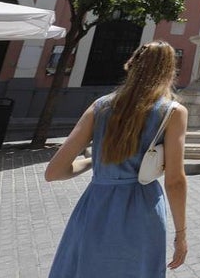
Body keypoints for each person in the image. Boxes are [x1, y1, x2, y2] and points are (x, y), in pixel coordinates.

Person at [46, 41, 188, 276]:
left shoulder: (100, 106)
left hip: (95, 206)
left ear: (132, 65)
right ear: (169, 71)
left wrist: (94, 162)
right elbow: (174, 181)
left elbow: (54, 172)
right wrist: (181, 234)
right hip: (142, 208)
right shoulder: (172, 112)